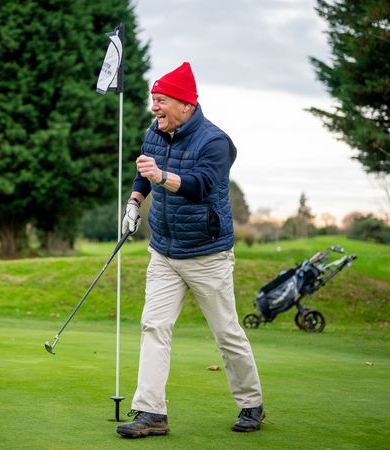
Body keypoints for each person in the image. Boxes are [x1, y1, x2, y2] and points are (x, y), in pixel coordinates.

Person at [116, 63, 264, 437]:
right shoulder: (156, 131)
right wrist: (134, 202)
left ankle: (251, 403)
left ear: (185, 103)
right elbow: (143, 171)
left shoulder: (215, 141)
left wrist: (160, 177)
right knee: (154, 326)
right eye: (153, 101)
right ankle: (151, 413)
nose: (155, 109)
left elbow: (201, 185)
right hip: (164, 251)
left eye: (161, 101)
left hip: (207, 254)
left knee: (226, 331)